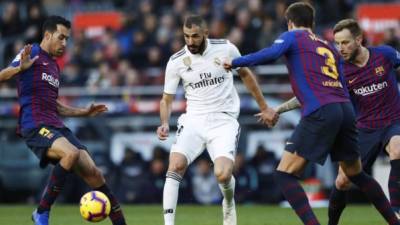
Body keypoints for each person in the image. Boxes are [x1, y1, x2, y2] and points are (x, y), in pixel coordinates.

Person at [223, 2, 400, 225]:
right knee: (353, 175)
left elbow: (271, 54)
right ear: (313, 24)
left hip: (323, 111)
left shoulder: (293, 36)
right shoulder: (326, 46)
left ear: (290, 23)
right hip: (346, 111)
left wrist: (235, 62)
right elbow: (339, 86)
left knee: (284, 174)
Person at [0, 16, 127, 225]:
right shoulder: (31, 52)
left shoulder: (53, 66)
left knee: (95, 174)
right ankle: (41, 212)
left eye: (67, 39)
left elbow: (55, 106)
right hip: (34, 125)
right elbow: (2, 75)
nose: (64, 44)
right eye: (61, 38)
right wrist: (18, 69)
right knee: (71, 153)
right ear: (48, 35)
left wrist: (83, 112)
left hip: (56, 125)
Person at [274, 18, 400, 224]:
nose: (340, 48)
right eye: (337, 43)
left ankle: (396, 211)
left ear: (359, 40)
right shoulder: (339, 68)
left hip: (394, 121)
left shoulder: (384, 54)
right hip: (364, 128)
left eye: (345, 42)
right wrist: (279, 108)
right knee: (342, 181)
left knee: (398, 148)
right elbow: (313, 94)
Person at [156, 14, 277, 225]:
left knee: (222, 174)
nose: (190, 41)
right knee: (175, 165)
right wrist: (165, 122)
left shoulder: (226, 49)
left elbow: (246, 75)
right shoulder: (176, 61)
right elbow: (166, 99)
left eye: (195, 36)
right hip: (194, 119)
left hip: (224, 120)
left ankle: (228, 204)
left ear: (205, 33)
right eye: (186, 36)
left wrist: (264, 107)